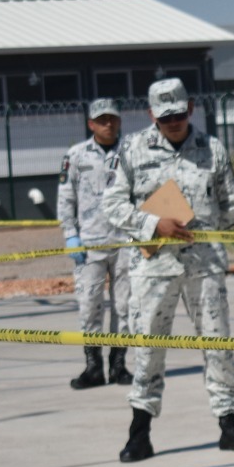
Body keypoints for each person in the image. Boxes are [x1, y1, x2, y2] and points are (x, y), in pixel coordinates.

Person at [101, 78, 234, 462]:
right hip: (153, 266)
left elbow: (233, 204)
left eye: (178, 114)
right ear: (151, 114)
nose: (172, 122)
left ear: (190, 109)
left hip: (204, 265)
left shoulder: (212, 149)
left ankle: (229, 425)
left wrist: (204, 229)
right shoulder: (132, 150)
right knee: (149, 350)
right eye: (164, 116)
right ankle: (139, 433)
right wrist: (153, 225)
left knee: (218, 345)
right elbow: (112, 204)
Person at [58, 98, 133, 390]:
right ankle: (93, 365)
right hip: (89, 243)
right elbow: (66, 197)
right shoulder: (76, 155)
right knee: (90, 304)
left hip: (125, 239)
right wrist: (69, 234)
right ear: (91, 124)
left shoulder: (130, 152)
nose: (108, 124)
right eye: (102, 120)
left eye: (112, 119)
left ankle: (118, 364)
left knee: (124, 306)